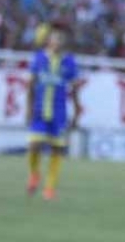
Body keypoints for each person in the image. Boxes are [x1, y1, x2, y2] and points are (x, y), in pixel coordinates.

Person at [25, 24, 82, 201]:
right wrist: (28, 108)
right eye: (55, 37)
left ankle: (49, 188)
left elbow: (74, 89)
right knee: (35, 145)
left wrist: (77, 111)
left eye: (61, 38)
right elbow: (31, 85)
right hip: (40, 110)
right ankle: (34, 174)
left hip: (59, 112)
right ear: (48, 40)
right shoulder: (39, 58)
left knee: (57, 149)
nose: (58, 41)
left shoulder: (69, 62)